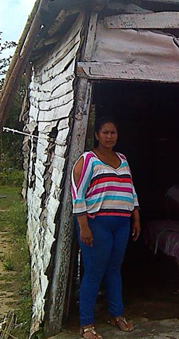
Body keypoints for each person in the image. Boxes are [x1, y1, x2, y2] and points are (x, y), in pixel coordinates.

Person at [72, 118, 140, 339]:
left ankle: (116, 314)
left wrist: (136, 218)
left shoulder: (123, 159)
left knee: (114, 270)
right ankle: (86, 324)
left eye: (113, 133)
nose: (110, 136)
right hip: (96, 223)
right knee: (94, 272)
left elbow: (131, 190)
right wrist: (83, 226)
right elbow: (77, 193)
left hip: (121, 224)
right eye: (105, 132)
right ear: (97, 135)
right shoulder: (88, 160)